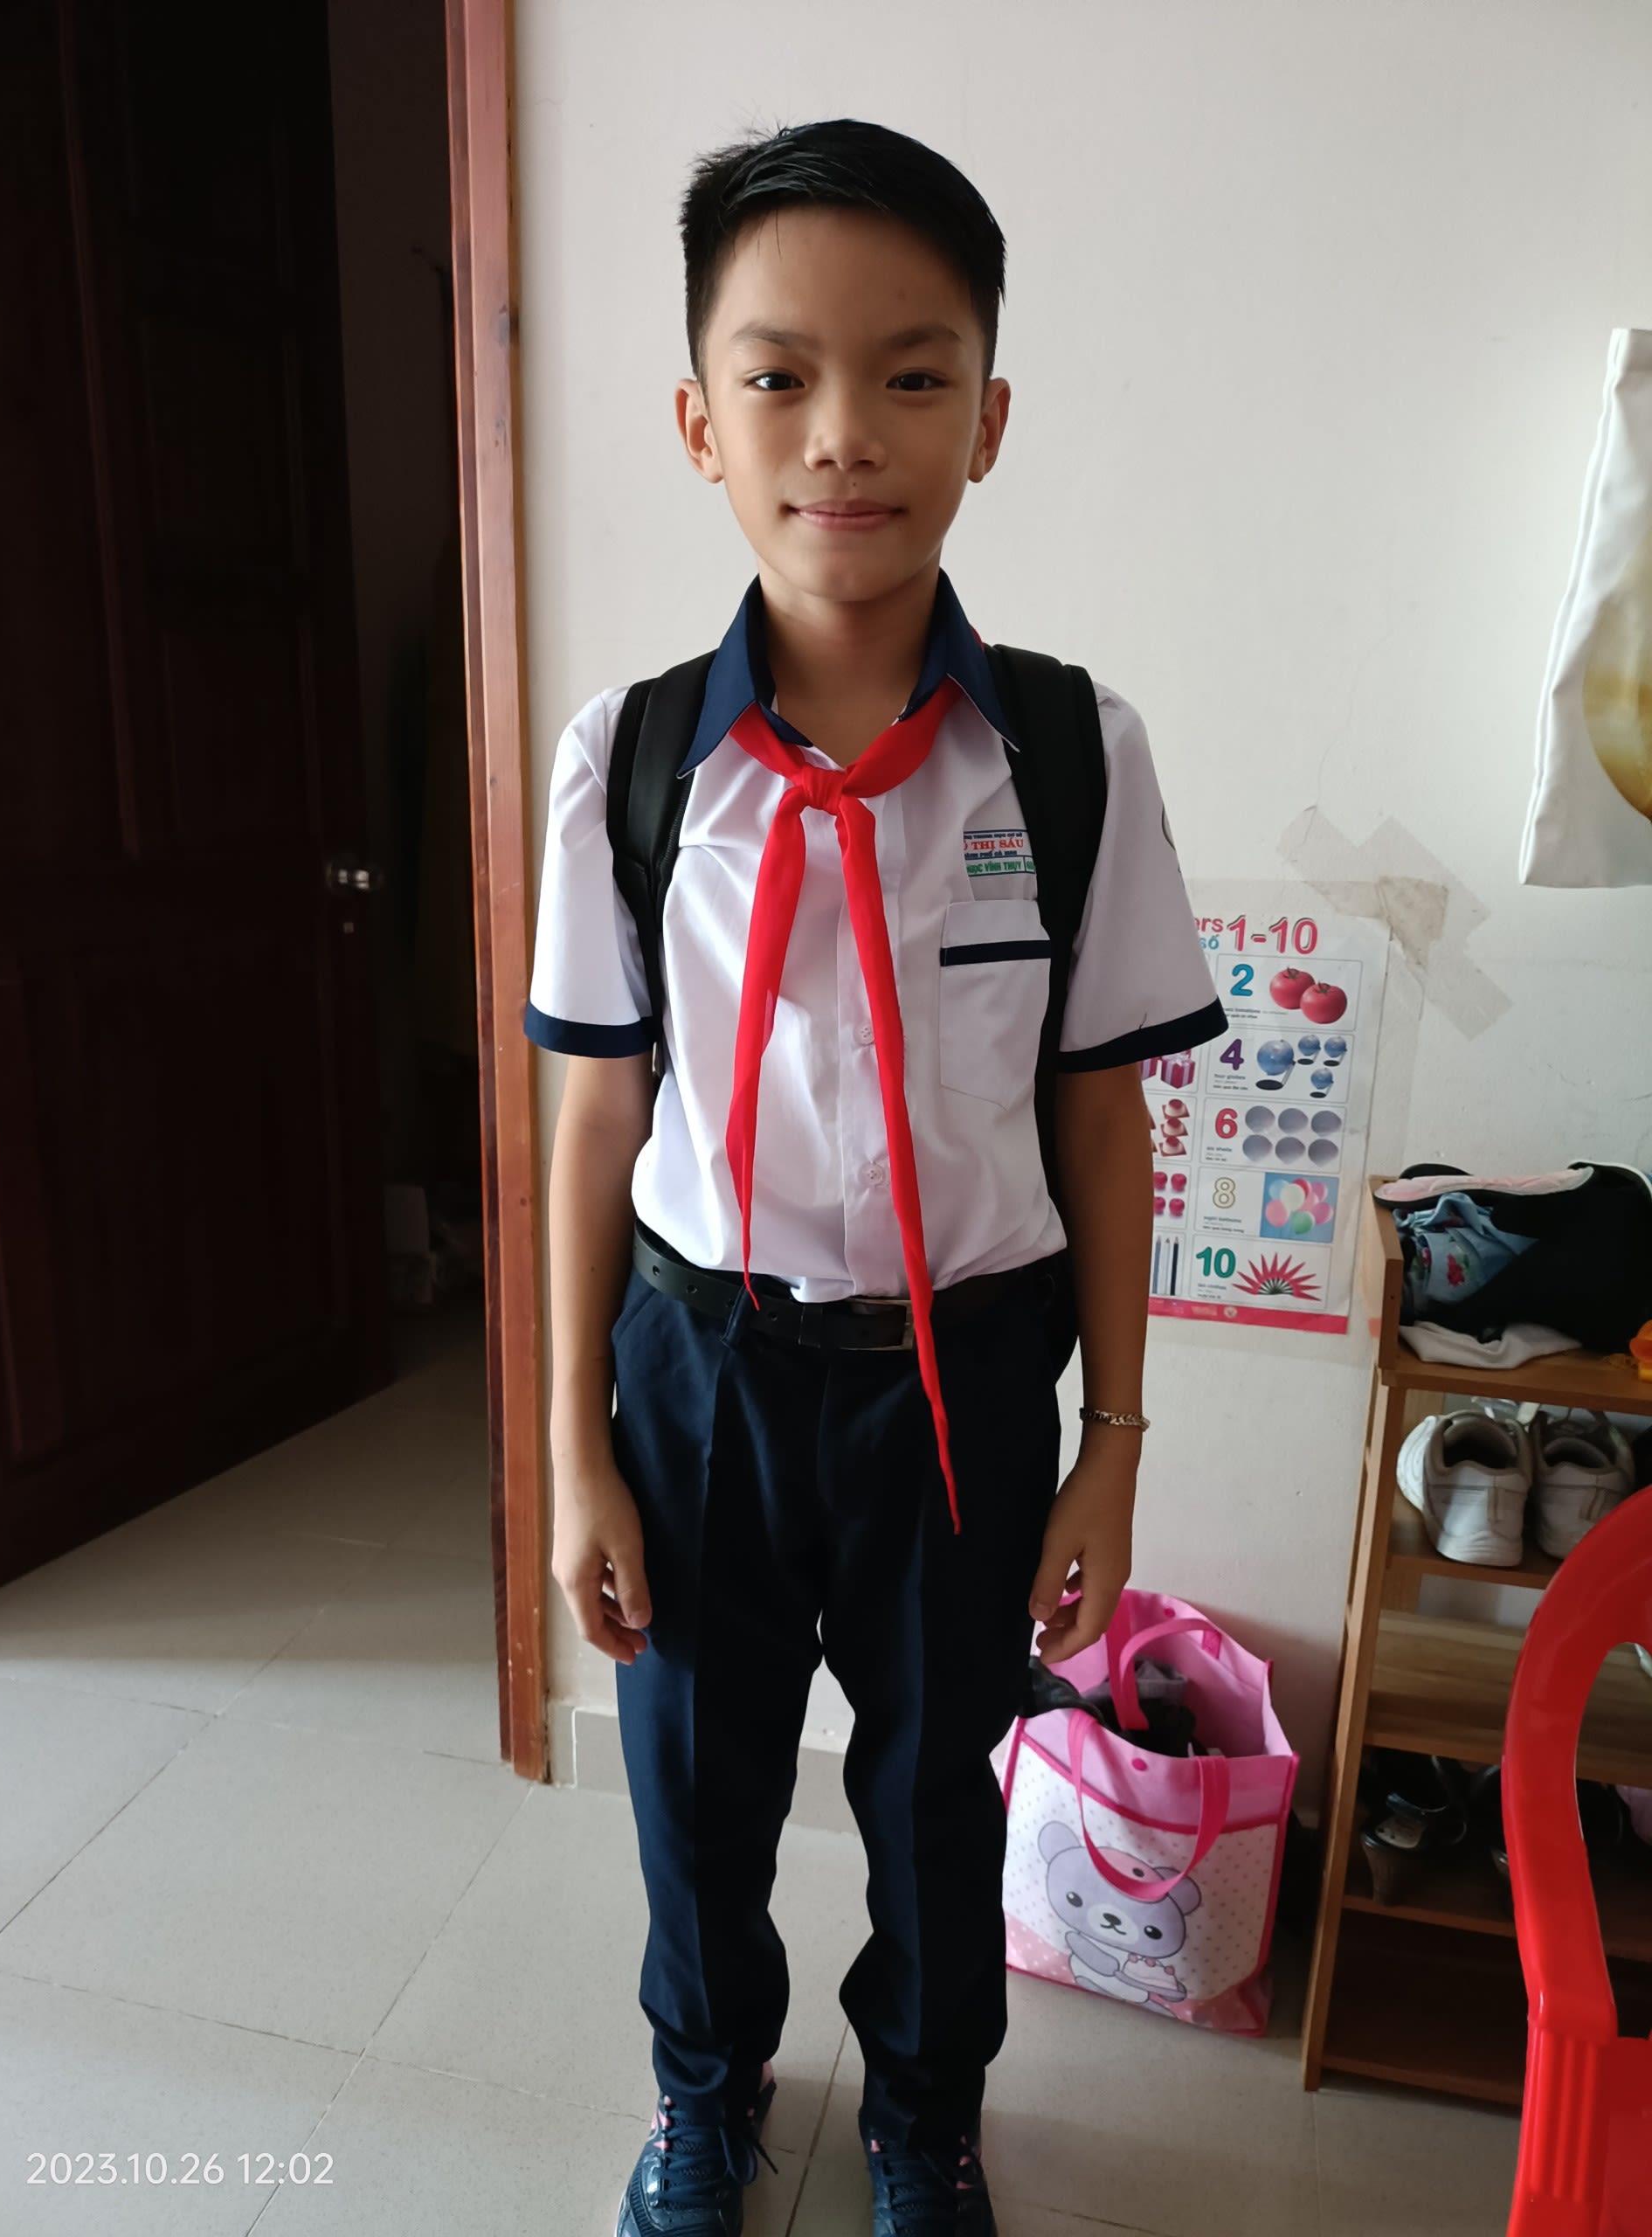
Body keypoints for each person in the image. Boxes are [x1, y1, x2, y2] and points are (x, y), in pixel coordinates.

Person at [529, 117, 1225, 2237]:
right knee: (694, 1790)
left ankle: (927, 2114)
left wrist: (1112, 1448)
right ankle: (705, 2090)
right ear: (699, 422)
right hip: (703, 1371)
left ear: (988, 418)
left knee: (936, 1797)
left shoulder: (1072, 753)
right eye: (779, 376)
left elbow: (1100, 1116)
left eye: (914, 375)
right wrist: (572, 1447)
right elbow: (594, 1117)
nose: (845, 434)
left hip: (963, 1379)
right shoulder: (632, 762)